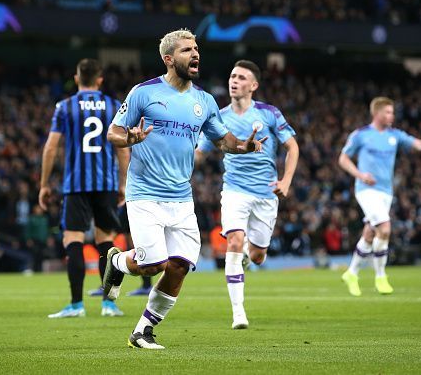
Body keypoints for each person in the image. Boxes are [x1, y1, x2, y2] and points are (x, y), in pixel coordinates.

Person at [104, 29, 265, 349]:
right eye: (187, 50)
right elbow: (113, 133)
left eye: (196, 49)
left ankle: (143, 331)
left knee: (179, 266)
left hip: (180, 197)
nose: (195, 54)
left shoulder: (204, 101)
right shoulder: (143, 93)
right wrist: (130, 138)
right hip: (145, 193)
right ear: (168, 59)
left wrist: (244, 147)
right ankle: (119, 262)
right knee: (152, 264)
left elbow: (222, 140)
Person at [196, 60, 299, 329]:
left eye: (241, 77)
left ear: (253, 86)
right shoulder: (218, 117)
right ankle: (238, 313)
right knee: (233, 241)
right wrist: (174, 156)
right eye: (232, 76)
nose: (234, 80)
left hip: (266, 193)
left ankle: (245, 256)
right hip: (234, 190)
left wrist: (286, 180)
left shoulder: (269, 113)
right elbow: (200, 152)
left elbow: (292, 146)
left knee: (257, 256)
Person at [39, 58, 129, 317]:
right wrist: (123, 183)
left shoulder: (65, 107)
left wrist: (44, 184)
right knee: (106, 242)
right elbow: (122, 149)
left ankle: (76, 304)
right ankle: (109, 304)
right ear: (100, 79)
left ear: (77, 79)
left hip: (76, 184)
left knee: (73, 239)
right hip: (106, 184)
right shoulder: (113, 105)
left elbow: (51, 147)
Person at [339, 97, 421, 296]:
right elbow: (343, 158)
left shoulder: (395, 135)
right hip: (366, 190)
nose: (392, 115)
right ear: (376, 113)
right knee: (384, 228)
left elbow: (417, 144)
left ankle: (351, 272)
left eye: (392, 112)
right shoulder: (361, 135)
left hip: (386, 192)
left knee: (369, 233)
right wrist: (360, 175)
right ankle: (380, 277)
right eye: (388, 112)